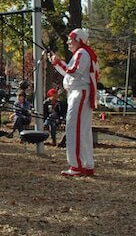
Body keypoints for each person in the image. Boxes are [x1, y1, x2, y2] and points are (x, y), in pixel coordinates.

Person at [50, 28, 99, 177]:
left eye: (71, 40)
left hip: (79, 93)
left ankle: (76, 165)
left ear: (79, 41)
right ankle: (86, 164)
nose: (68, 42)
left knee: (73, 129)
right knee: (82, 130)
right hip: (79, 92)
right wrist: (56, 64)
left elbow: (74, 71)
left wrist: (59, 62)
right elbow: (70, 73)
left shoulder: (82, 53)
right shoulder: (83, 53)